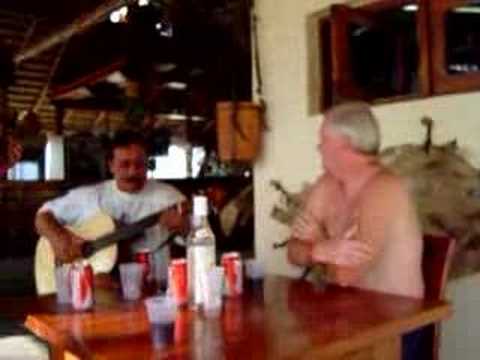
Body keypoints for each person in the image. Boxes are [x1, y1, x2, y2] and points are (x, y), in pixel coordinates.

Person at [287, 102, 425, 360]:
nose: (319, 149)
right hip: (345, 321)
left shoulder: (385, 190)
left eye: (323, 142)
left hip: (395, 330)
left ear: (345, 145)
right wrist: (319, 250)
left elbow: (345, 277)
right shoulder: (326, 185)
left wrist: (317, 242)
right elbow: (293, 252)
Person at [35, 130, 188, 283]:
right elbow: (42, 216)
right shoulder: (91, 195)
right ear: (111, 166)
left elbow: (199, 237)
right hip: (91, 285)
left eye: (139, 164)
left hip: (152, 280)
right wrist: (59, 238)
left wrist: (184, 227)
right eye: (124, 164)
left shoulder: (170, 198)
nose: (132, 171)